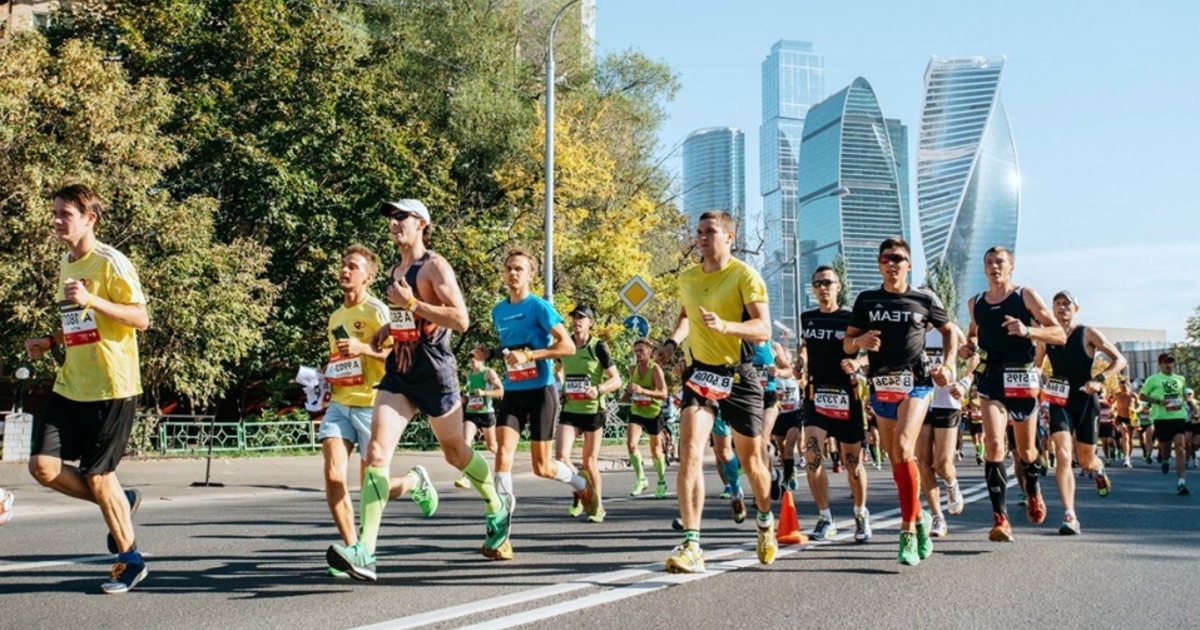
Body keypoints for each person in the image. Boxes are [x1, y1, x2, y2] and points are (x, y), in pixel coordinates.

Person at [327, 199, 504, 580]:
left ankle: (496, 503)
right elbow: (409, 318)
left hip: (435, 374)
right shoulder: (396, 270)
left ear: (422, 223)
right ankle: (366, 551)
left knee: (456, 454)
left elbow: (461, 319)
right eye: (391, 218)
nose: (394, 223)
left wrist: (410, 301)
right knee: (376, 451)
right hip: (400, 373)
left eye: (401, 217)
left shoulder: (435, 266)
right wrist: (389, 328)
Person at [24, 184, 150, 593]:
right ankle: (120, 501)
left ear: (89, 218)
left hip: (112, 386)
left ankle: (130, 560)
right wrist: (50, 340)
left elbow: (140, 318)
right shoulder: (67, 262)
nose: (57, 220)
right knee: (43, 467)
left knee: (99, 477)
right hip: (72, 382)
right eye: (56, 213)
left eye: (66, 214)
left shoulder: (111, 263)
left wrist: (94, 300)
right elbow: (78, 322)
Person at [654, 210, 776, 574]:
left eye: (711, 232)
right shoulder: (689, 277)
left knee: (753, 463)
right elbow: (686, 315)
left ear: (729, 237)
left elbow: (764, 329)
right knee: (690, 453)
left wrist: (726, 325)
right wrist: (671, 343)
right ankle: (692, 543)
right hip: (700, 375)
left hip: (738, 377)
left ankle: (766, 521)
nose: (703, 237)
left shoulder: (744, 275)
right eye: (699, 232)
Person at [844, 239, 959, 566]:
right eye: (885, 258)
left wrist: (948, 365)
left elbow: (949, 330)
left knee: (906, 446)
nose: (891, 263)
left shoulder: (924, 298)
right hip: (881, 384)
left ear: (909, 264)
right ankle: (919, 517)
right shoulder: (867, 299)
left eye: (898, 258)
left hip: (916, 382)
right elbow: (848, 345)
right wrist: (861, 341)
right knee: (897, 458)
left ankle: (907, 531)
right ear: (879, 264)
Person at [319, 245, 428, 577]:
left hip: (373, 403)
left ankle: (414, 481)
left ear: (368, 276)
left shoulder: (378, 311)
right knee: (334, 474)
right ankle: (355, 550)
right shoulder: (336, 317)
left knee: (372, 487)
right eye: (343, 264)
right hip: (340, 402)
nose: (345, 270)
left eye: (353, 266)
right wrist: (329, 375)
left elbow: (403, 357)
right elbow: (342, 360)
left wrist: (364, 348)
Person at [959, 246, 1065, 542]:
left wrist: (1028, 332)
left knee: (1026, 451)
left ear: (1011, 267)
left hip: (1021, 376)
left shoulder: (1025, 296)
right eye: (989, 262)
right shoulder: (976, 302)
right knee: (994, 445)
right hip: (991, 375)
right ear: (984, 268)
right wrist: (968, 347)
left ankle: (1032, 490)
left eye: (1000, 262)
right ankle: (1000, 519)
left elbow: (1059, 334)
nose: (994, 267)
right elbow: (972, 335)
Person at [487, 249, 586, 559]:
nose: (513, 273)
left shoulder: (539, 307)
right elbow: (510, 349)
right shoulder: (498, 311)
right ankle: (502, 534)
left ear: (531, 275)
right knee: (502, 454)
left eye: (519, 268)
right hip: (514, 391)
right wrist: (488, 353)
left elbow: (567, 346)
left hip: (542, 391)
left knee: (541, 467)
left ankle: (579, 483)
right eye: (508, 268)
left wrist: (530, 355)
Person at [1035, 290, 1126, 534]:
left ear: (1076, 309)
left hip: (1086, 399)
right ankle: (1069, 515)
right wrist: (1042, 382)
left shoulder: (1087, 333)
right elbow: (1036, 367)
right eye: (1057, 303)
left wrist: (1099, 379)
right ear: (1052, 308)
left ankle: (1098, 469)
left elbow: (1120, 360)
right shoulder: (1046, 336)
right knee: (1063, 455)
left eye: (1067, 304)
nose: (1062, 307)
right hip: (1059, 400)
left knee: (1085, 460)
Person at [800, 265, 871, 543]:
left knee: (852, 463)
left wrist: (857, 362)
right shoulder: (808, 318)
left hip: (847, 396)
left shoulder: (851, 318)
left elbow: (872, 354)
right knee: (813, 457)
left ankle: (860, 513)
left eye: (828, 282)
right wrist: (801, 362)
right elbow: (804, 346)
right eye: (817, 283)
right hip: (817, 394)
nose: (822, 288)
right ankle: (825, 518)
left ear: (838, 286)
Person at [556, 305, 622, 522]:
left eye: (582, 318)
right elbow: (557, 368)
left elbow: (617, 379)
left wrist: (599, 389)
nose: (577, 321)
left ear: (590, 322)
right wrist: (560, 386)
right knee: (561, 457)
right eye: (574, 318)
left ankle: (598, 505)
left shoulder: (598, 347)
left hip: (593, 410)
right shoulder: (565, 345)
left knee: (589, 461)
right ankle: (580, 491)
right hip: (570, 409)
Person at [917, 323, 973, 538]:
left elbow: (974, 358)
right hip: (920, 399)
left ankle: (951, 484)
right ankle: (937, 516)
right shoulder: (911, 330)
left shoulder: (949, 331)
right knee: (924, 462)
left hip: (947, 401)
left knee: (942, 464)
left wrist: (964, 383)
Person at [1139, 353, 1190, 495]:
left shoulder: (1180, 379)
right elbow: (1142, 396)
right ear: (1160, 364)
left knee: (1180, 447)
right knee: (1166, 450)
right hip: (1161, 418)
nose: (1169, 365)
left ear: (1174, 364)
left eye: (1171, 362)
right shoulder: (1153, 379)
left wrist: (1186, 405)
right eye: (1165, 362)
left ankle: (1181, 483)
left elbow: (1183, 395)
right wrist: (1158, 401)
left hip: (1178, 416)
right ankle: (1166, 460)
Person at [625, 338, 670, 499]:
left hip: (653, 412)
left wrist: (642, 390)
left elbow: (664, 394)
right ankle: (641, 478)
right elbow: (632, 388)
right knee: (631, 444)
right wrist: (627, 393)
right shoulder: (633, 368)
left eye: (641, 350)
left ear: (650, 352)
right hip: (637, 411)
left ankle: (661, 481)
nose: (638, 354)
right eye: (636, 351)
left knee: (656, 451)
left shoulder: (656, 369)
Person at [455, 346, 503, 489]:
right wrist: (464, 399)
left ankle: (504, 467)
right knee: (465, 442)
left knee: (492, 446)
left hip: (486, 413)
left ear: (482, 359)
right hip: (471, 413)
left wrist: (484, 393)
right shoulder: (469, 375)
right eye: (471, 358)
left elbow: (501, 391)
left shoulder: (488, 372)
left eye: (475, 357)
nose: (472, 361)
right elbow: (471, 394)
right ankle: (466, 477)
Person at [1112, 380, 1137, 467]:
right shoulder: (1117, 395)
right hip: (1120, 418)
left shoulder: (1133, 395)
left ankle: (1128, 457)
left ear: (1128, 386)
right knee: (1125, 436)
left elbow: (1140, 405)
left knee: (1129, 439)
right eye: (1121, 387)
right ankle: (1126, 459)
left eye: (1125, 387)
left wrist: (1136, 410)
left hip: (1131, 418)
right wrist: (1112, 412)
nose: (1123, 389)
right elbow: (1112, 404)